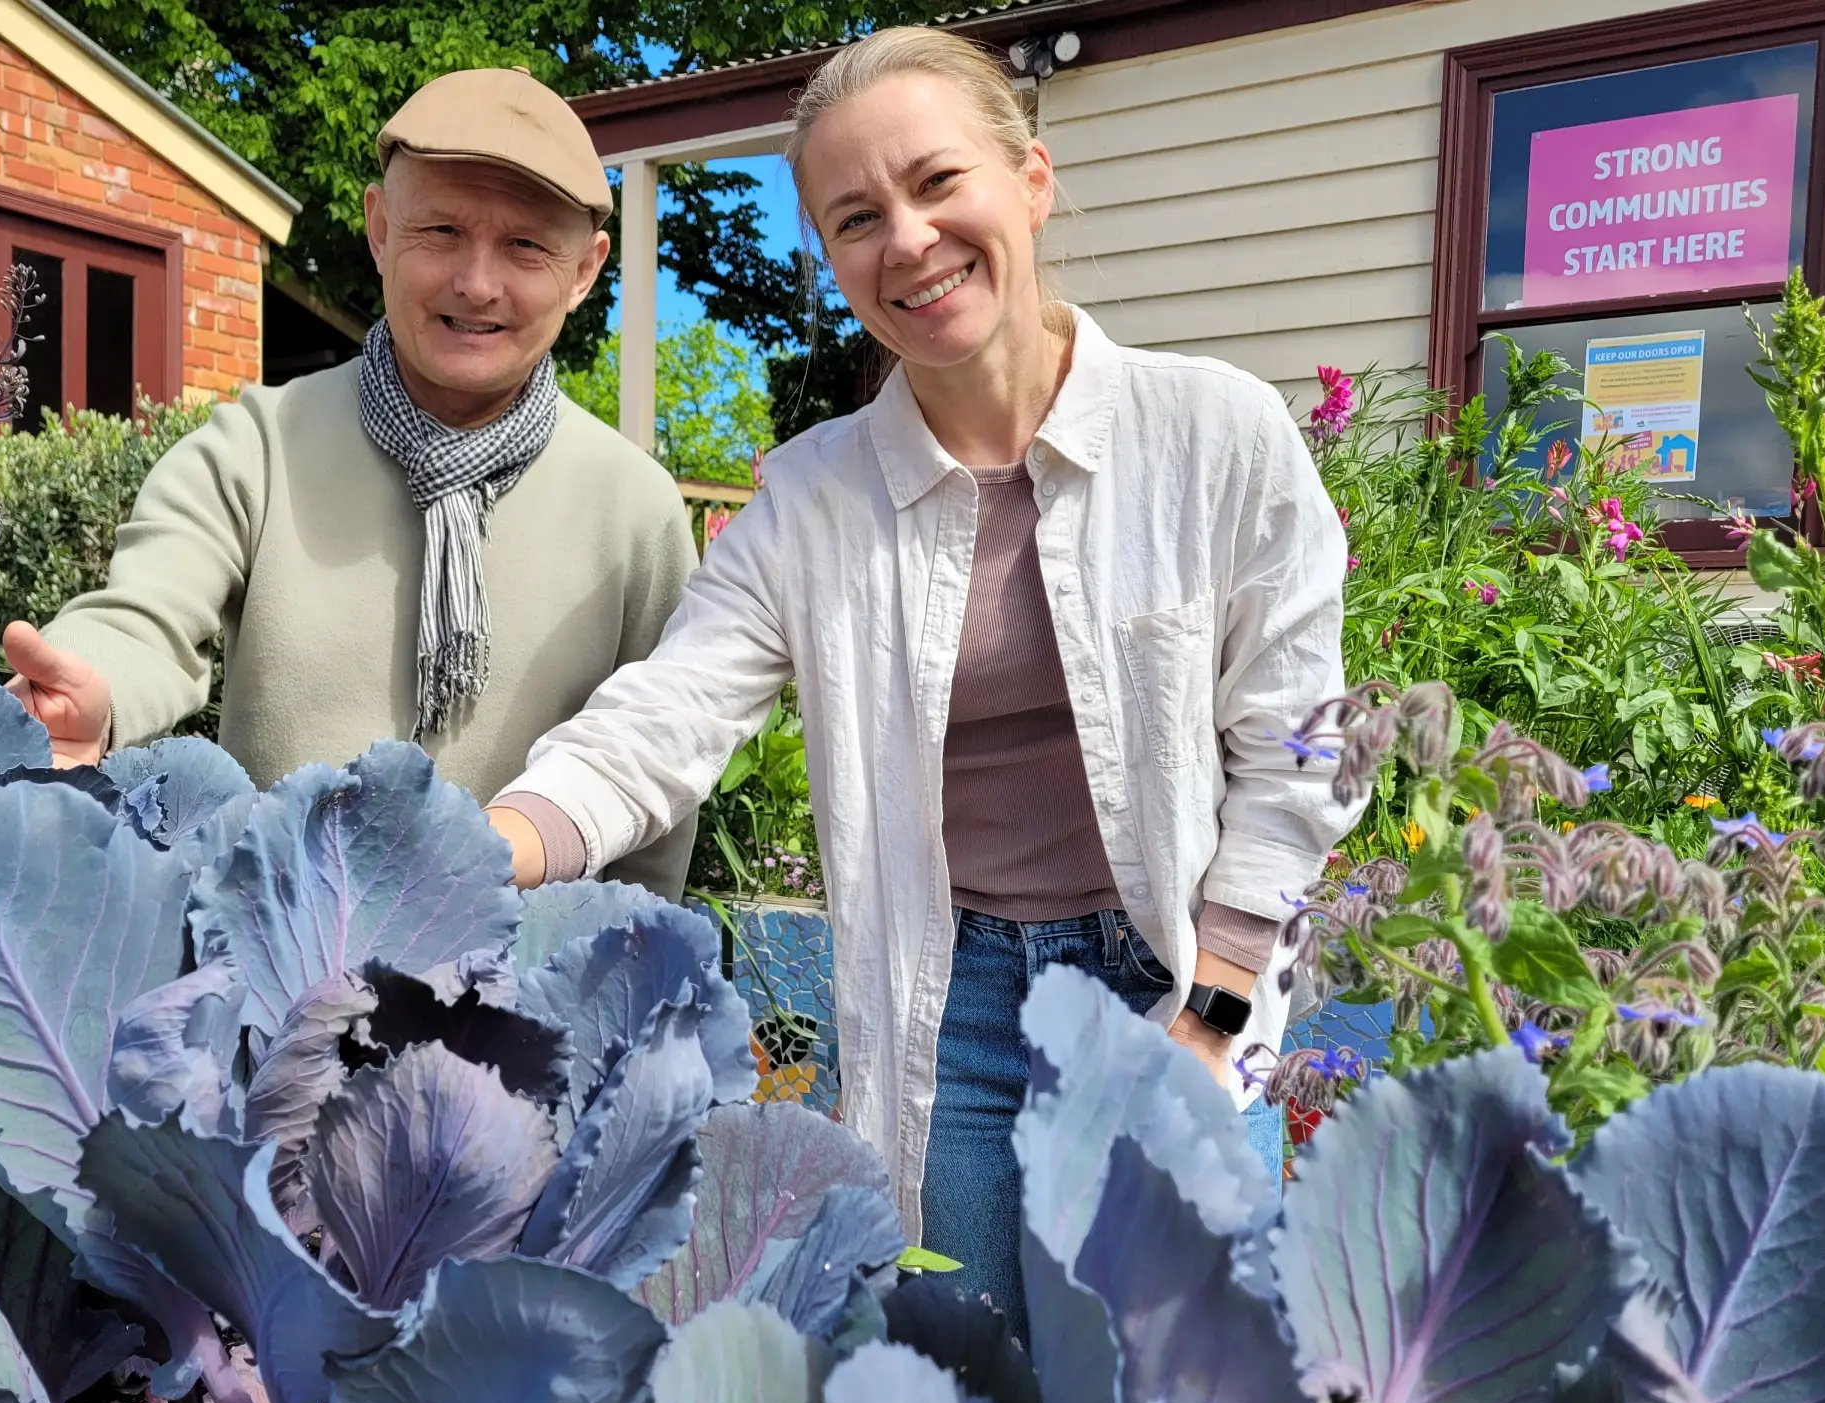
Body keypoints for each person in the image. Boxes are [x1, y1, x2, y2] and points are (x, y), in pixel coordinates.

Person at [485, 27, 1350, 1327]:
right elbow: (663, 719)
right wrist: (491, 843)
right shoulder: (811, 501)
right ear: (831, 262)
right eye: (853, 218)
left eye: (936, 182)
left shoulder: (1215, 437)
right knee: (966, 1366)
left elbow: (1295, 751)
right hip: (952, 1001)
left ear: (1031, 182)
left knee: (1171, 1380)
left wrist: (1216, 1012)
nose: (906, 238)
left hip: (1178, 967)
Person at [2, 67, 698, 894]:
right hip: (269, 967)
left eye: (525, 246)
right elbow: (142, 616)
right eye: (440, 230)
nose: (477, 282)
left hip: (515, 1006)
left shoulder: (636, 510)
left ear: (585, 271)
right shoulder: (258, 445)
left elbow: (655, 797)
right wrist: (88, 685)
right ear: (377, 228)